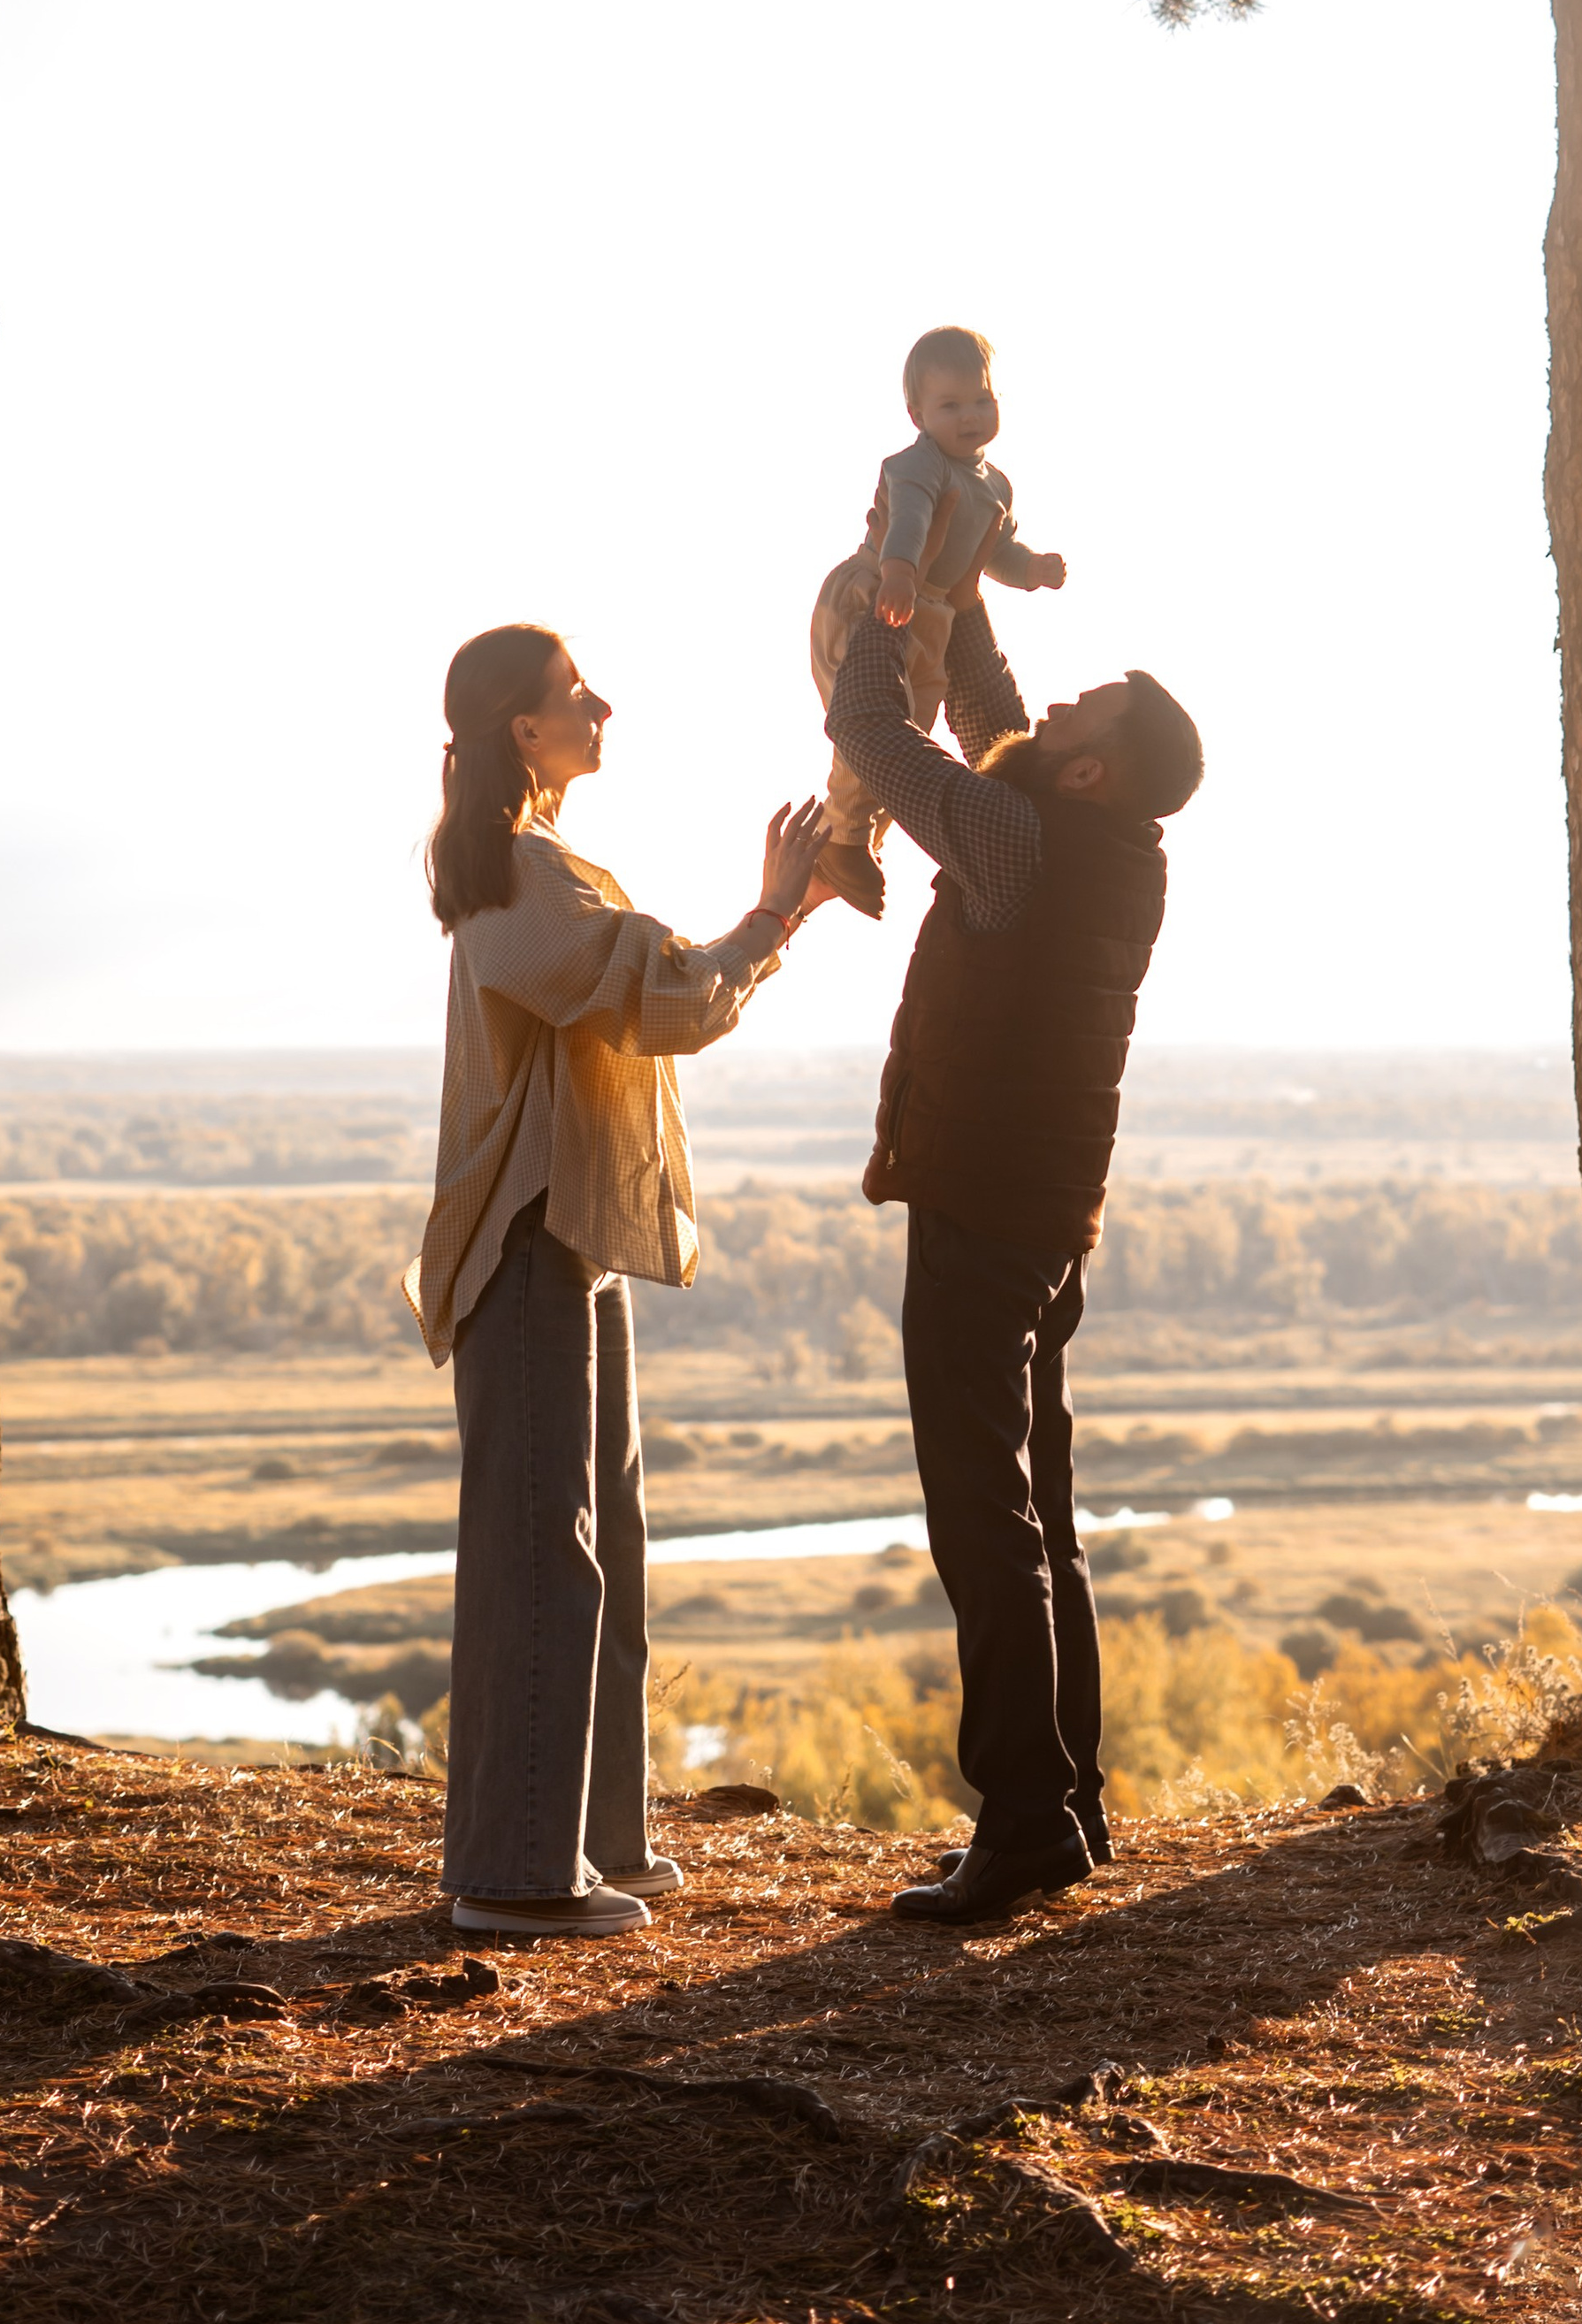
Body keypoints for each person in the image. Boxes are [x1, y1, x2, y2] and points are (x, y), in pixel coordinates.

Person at [407, 624, 831, 1939]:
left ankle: (596, 1843)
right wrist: (775, 916)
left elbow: (649, 986)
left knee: (606, 1544)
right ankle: (514, 1878)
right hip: (532, 1237)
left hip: (571, 1235)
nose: (602, 705)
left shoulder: (536, 863)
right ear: (522, 732)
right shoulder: (521, 877)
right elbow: (660, 997)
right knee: (546, 1556)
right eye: (573, 695)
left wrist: (775, 920)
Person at [825, 563, 1203, 1927]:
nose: (1053, 700)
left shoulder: (1012, 837)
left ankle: (1024, 1821)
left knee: (981, 1516)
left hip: (985, 1205)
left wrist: (881, 609)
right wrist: (953, 569)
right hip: (1049, 1211)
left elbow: (877, 733)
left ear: (1092, 771)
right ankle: (1069, 1806)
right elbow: (987, 703)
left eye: (1081, 710)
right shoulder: (1098, 842)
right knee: (1040, 1513)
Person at [808, 325, 1066, 922]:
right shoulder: (916, 465)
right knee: (870, 720)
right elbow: (910, 521)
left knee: (910, 736)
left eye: (981, 399)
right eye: (950, 405)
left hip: (933, 618)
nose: (970, 416)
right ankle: (844, 842)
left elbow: (996, 547)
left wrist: (1031, 571)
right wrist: (899, 574)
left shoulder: (994, 483)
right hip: (876, 594)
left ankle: (855, 838)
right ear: (917, 413)